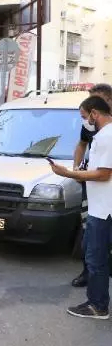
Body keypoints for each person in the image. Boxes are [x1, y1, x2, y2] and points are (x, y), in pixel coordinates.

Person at [50, 95, 112, 319]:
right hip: (102, 207)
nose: (85, 122)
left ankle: (98, 305)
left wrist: (70, 173)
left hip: (103, 210)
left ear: (95, 113)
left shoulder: (106, 137)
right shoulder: (104, 136)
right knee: (97, 255)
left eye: (85, 117)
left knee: (96, 258)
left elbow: (104, 174)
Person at [70, 84, 112, 288]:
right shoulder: (91, 125)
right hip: (92, 187)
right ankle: (89, 273)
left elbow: (105, 173)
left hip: (106, 192)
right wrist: (76, 169)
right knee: (88, 233)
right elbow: (81, 145)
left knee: (100, 239)